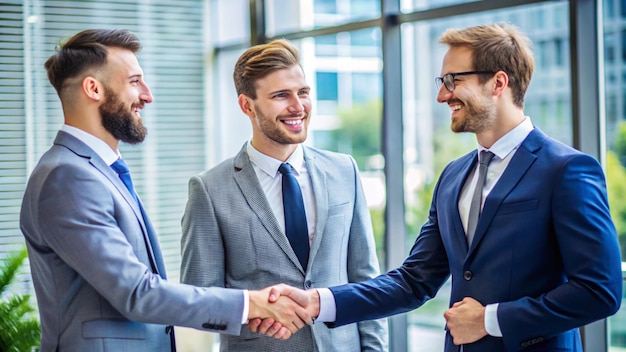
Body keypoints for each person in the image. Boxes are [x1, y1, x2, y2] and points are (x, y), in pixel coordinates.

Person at [259, 23, 624, 352]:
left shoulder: (567, 170)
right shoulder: (453, 176)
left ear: (498, 83)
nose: (442, 96)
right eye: (442, 83)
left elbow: (600, 291)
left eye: (453, 80)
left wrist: (490, 320)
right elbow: (413, 281)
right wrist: (318, 302)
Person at [19, 28, 310, 352]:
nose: (147, 94)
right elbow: (137, 293)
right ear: (93, 88)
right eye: (134, 81)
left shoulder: (95, 171)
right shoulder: (67, 177)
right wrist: (251, 304)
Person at [179, 39, 388, 351]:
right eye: (281, 95)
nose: (298, 106)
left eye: (303, 92)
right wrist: (255, 311)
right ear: (247, 105)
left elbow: (365, 280)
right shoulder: (210, 190)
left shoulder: (345, 171)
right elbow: (198, 301)